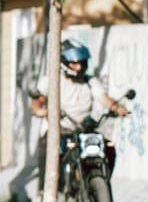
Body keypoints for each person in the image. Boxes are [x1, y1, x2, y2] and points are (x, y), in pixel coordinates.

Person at [31, 40, 130, 181]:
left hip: (83, 128)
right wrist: (44, 112)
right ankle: (44, 191)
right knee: (47, 149)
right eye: (75, 63)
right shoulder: (52, 80)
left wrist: (117, 108)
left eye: (82, 63)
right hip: (60, 129)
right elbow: (37, 103)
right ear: (64, 62)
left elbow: (103, 97)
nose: (79, 67)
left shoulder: (89, 81)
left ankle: (102, 182)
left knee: (108, 148)